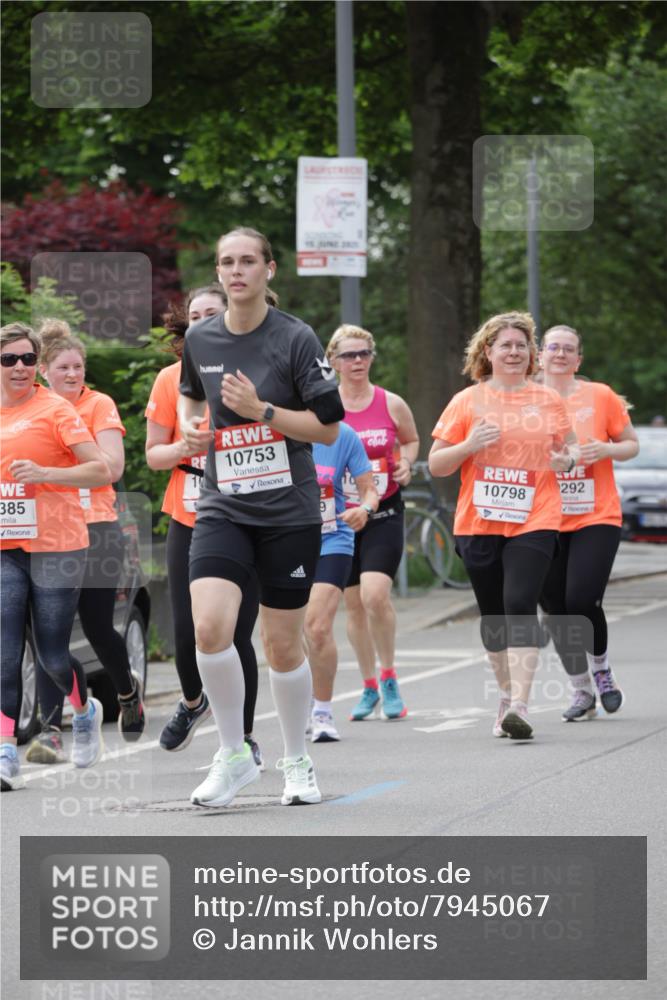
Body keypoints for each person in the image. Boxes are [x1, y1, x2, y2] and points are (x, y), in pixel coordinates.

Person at [178, 227, 344, 807]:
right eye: (227, 262)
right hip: (223, 504)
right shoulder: (200, 338)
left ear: (269, 269)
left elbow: (328, 428)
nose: (236, 270)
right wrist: (192, 427)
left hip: (287, 511)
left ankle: (297, 759)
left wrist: (263, 411)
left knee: (281, 645)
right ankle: (234, 754)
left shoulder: (295, 337)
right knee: (209, 628)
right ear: (218, 272)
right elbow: (191, 394)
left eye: (248, 260)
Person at [429, 312, 577, 740]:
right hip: (479, 522)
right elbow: (438, 464)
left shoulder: (548, 400)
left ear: (532, 354)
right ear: (487, 352)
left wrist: (565, 461)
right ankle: (506, 694)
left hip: (536, 517)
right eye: (505, 345)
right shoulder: (466, 401)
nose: (514, 352)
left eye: (521, 345)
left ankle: (520, 706)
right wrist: (468, 444)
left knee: (519, 602)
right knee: (494, 615)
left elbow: (570, 451)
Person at [145, 285, 263, 766]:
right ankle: (194, 702)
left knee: (236, 635)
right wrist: (184, 448)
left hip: (248, 515)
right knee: (186, 632)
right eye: (195, 316)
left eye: (211, 313)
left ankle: (245, 739)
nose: (202, 322)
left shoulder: (256, 370)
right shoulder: (169, 379)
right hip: (190, 512)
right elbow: (154, 455)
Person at [23, 319, 146, 765]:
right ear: (44, 372)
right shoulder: (29, 410)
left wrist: (52, 472)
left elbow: (111, 467)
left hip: (96, 530)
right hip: (48, 532)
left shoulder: (98, 405)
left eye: (78, 367)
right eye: (64, 368)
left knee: (96, 627)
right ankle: (52, 730)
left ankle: (127, 692)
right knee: (48, 635)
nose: (73, 374)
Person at [1, 322, 111, 790]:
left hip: (57, 544)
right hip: (5, 547)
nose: (20, 367)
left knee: (51, 654)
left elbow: (100, 469)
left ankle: (83, 712)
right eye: (9, 359)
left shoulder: (56, 409)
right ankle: (6, 750)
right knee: (5, 651)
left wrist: (46, 472)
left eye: (28, 359)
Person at [538, 324, 638, 720]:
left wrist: (606, 450)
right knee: (555, 607)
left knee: (581, 600)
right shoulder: (524, 400)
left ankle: (602, 672)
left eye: (569, 349)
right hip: (543, 517)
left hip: (596, 514)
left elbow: (631, 444)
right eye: (553, 347)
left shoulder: (600, 396)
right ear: (540, 355)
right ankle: (581, 691)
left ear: (578, 359)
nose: (560, 354)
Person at [324, 325, 419, 721]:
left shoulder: (391, 403)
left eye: (364, 353)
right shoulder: (323, 407)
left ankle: (389, 676)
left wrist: (407, 463)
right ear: (334, 361)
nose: (357, 361)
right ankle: (368, 686)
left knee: (374, 596)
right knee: (353, 605)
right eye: (349, 355)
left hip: (383, 513)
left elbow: (411, 440)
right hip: (341, 517)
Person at [305, 423, 378, 742]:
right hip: (283, 542)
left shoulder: (341, 435)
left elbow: (369, 489)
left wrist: (365, 508)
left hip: (332, 538)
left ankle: (322, 710)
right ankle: (303, 696)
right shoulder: (271, 427)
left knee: (317, 627)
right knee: (288, 634)